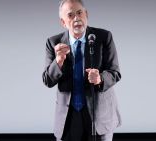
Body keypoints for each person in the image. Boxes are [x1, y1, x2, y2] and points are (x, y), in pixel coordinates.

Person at [42, 0, 121, 141]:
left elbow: (115, 72)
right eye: (70, 15)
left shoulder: (103, 37)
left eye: (79, 13)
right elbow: (47, 80)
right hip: (68, 116)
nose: (77, 18)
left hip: (99, 115)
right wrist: (58, 61)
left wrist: (100, 78)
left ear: (86, 14)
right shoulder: (54, 43)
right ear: (63, 22)